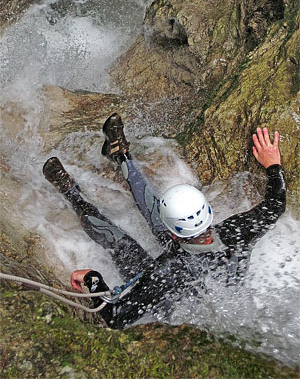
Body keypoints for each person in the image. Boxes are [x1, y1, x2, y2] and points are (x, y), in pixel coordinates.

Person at [43, 114, 286, 329]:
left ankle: (71, 192)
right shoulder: (238, 232)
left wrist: (92, 279)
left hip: (172, 306)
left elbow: (116, 318)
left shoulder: (167, 272)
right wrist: (273, 165)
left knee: (122, 244)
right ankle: (121, 154)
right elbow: (275, 205)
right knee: (155, 218)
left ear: (172, 235)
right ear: (208, 213)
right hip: (194, 273)